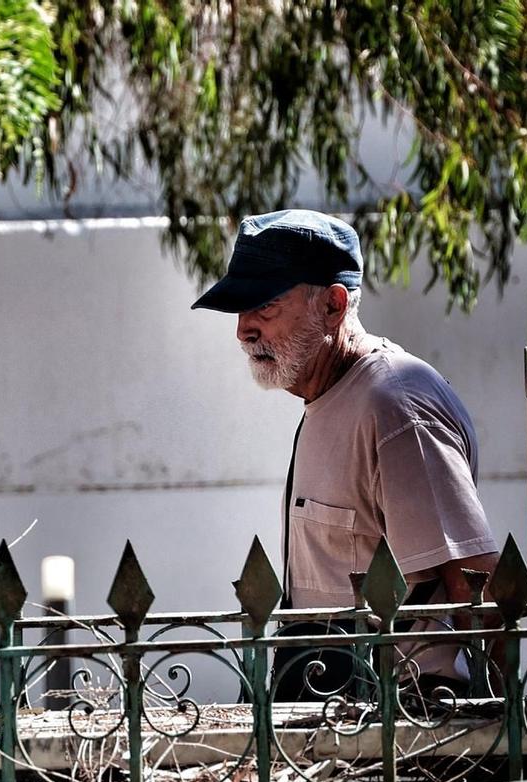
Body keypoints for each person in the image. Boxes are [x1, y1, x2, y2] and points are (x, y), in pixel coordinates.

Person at [191, 210, 499, 702]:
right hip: (334, 711)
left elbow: (476, 582)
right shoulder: (328, 396)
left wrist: (503, 722)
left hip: (402, 719)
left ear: (333, 305)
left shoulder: (395, 405)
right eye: (240, 310)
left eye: (264, 305)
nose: (243, 330)